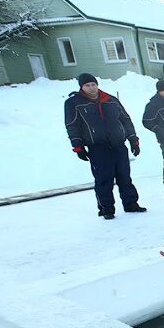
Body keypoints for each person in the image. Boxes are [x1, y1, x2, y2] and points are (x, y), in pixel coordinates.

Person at [64, 73, 146, 220]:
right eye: (87, 85)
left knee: (125, 177)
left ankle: (131, 204)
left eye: (93, 84)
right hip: (98, 148)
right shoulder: (74, 103)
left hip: (118, 145)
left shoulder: (111, 100)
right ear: (82, 87)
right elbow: (72, 125)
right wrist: (78, 146)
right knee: (103, 180)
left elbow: (126, 120)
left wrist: (133, 139)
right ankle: (106, 209)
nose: (91, 88)